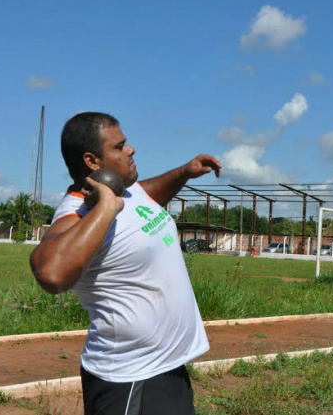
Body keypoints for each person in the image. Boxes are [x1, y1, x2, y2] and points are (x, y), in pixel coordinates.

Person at [29, 112, 221, 415]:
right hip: (129, 377)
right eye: (119, 146)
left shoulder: (128, 191)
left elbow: (149, 194)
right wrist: (106, 206)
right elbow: (51, 274)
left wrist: (183, 172)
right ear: (92, 161)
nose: (130, 150)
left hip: (169, 366)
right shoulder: (77, 212)